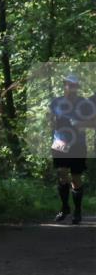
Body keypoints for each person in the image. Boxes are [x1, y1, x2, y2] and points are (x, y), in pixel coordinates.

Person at [49, 74, 88, 225]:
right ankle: (65, 208)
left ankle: (77, 211)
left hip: (78, 144)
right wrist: (51, 124)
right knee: (62, 173)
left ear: (77, 87)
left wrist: (82, 124)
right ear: (64, 85)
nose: (70, 87)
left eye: (73, 85)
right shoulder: (56, 102)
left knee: (76, 178)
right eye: (68, 84)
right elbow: (50, 120)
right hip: (60, 143)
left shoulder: (83, 103)